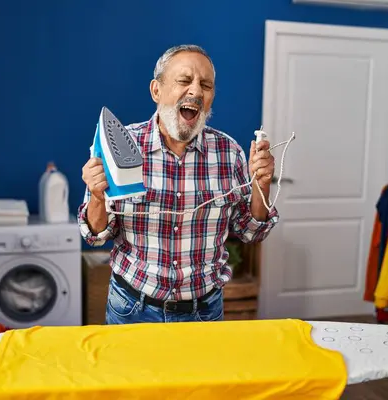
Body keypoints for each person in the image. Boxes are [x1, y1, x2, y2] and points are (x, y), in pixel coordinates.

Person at [78, 44, 279, 325]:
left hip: (204, 312)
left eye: (205, 85)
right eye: (184, 81)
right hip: (132, 309)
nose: (196, 91)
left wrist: (262, 183)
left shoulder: (229, 152)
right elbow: (95, 235)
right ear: (156, 90)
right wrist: (98, 197)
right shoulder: (122, 145)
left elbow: (250, 231)